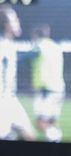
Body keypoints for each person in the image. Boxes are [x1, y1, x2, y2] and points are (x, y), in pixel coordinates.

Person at [0, 10, 37, 142]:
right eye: (14, 20)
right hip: (2, 102)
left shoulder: (8, 44)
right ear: (6, 25)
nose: (18, 22)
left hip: (11, 99)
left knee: (30, 136)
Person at [30, 23, 64, 143]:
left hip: (46, 90)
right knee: (51, 122)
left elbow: (27, 57)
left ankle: (56, 138)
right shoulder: (56, 47)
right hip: (59, 89)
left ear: (36, 36)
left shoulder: (39, 46)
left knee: (40, 123)